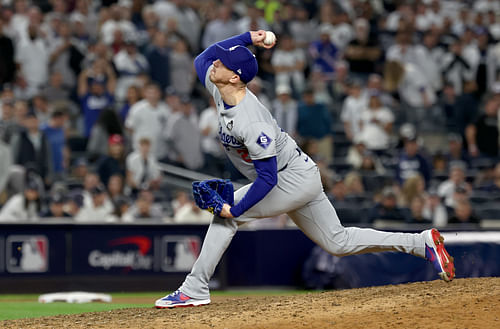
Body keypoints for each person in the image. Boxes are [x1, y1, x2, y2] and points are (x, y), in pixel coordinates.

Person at [155, 30, 455, 309]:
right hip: (298, 174)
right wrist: (249, 37)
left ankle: (194, 289)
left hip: (290, 178)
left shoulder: (252, 121)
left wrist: (234, 210)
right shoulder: (221, 85)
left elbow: (268, 179)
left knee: (225, 217)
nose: (215, 63)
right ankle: (422, 242)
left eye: (223, 63)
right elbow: (202, 57)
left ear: (234, 77)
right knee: (338, 242)